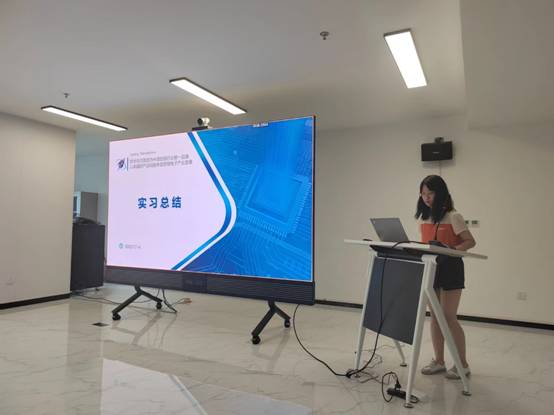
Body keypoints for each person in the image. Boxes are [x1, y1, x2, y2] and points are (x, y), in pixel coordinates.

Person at [415, 175, 476, 380]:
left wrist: (453, 250)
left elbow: (470, 241)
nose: (426, 198)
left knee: (449, 317)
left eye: (430, 193)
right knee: (435, 317)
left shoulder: (453, 216)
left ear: (440, 193)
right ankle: (439, 361)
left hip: (451, 268)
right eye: (423, 194)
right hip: (432, 268)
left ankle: (462, 365)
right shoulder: (424, 218)